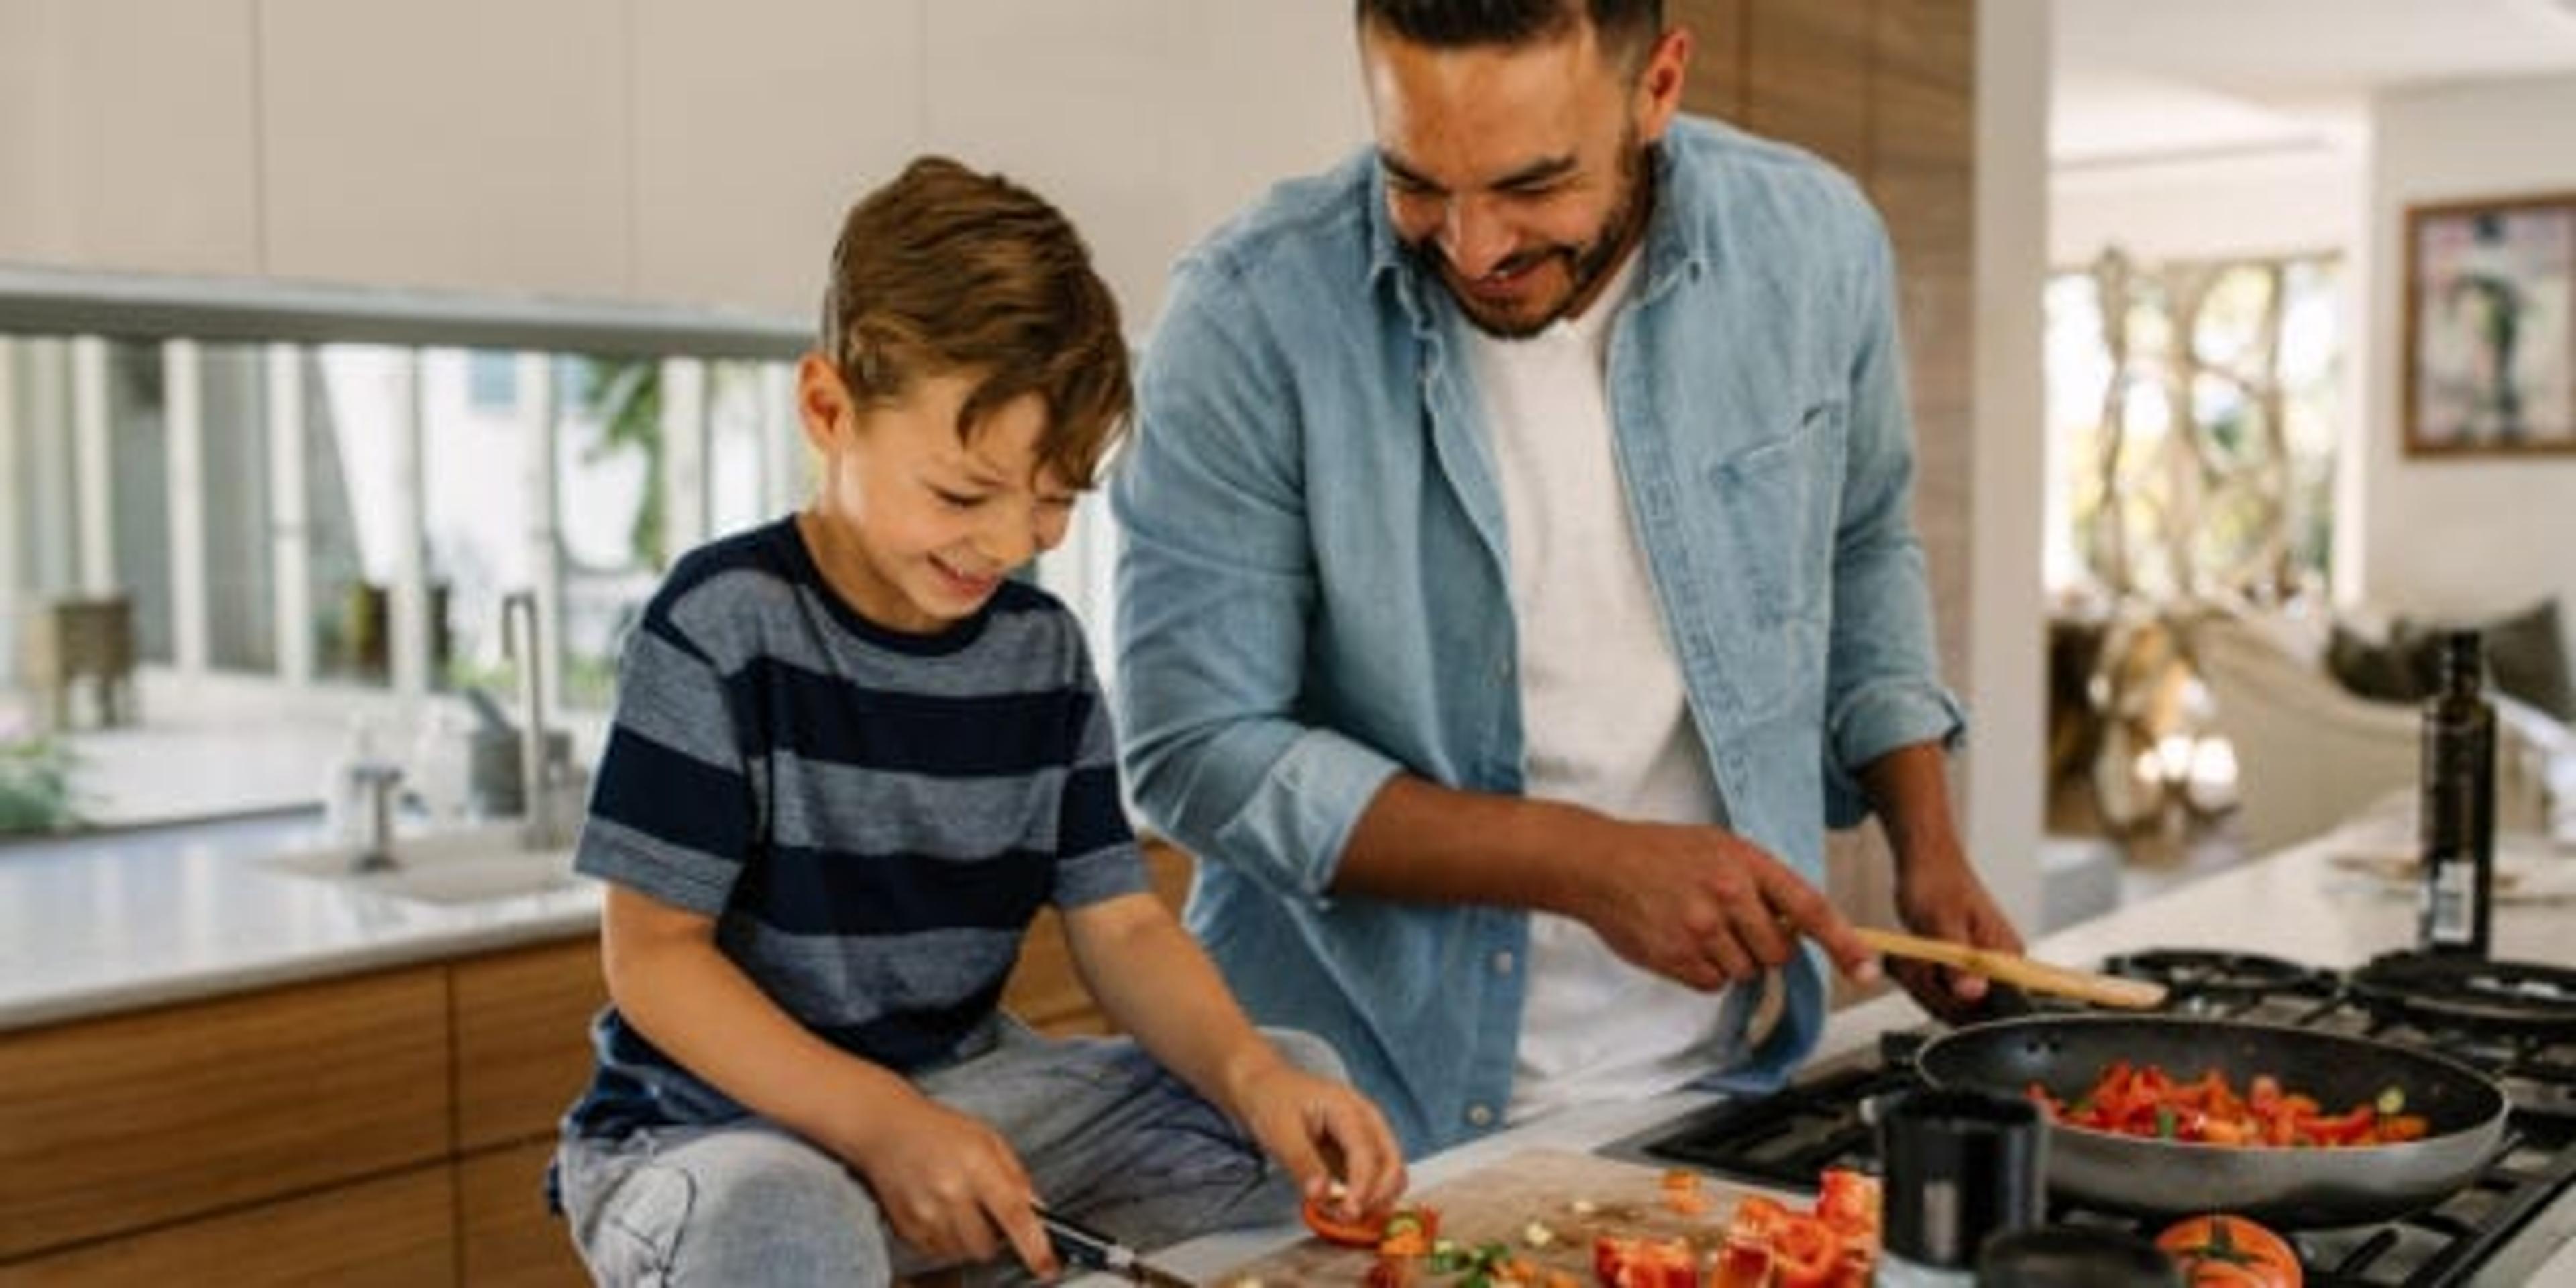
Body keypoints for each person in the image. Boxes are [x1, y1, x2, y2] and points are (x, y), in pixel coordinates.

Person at [1110, 0, 2023, 1155]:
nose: (1472, 245)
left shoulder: (1813, 246)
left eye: (1533, 186)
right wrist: (1584, 862)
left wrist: (1924, 843)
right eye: (1416, 182)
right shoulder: (1251, 317)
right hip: (1352, 1117)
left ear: (1659, 87)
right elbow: (1194, 748)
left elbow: (1862, 538)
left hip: (1724, 1091)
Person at [551, 156, 1404, 1287]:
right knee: (785, 1223)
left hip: (960, 1096)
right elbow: (654, 962)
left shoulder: (1039, 653)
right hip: (714, 1134)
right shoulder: (722, 626)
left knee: (1282, 1097)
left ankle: (940, 1239)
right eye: (962, 494)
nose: (1008, 544)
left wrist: (1251, 1076)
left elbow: (1126, 929)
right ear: (828, 410)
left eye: (1054, 500)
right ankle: (931, 1241)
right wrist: (878, 1126)